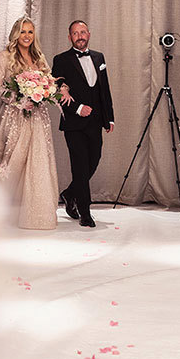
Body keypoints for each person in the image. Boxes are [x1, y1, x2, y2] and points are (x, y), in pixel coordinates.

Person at [0, 17, 71, 230]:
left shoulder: (39, 57)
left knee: (37, 162)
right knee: (11, 162)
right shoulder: (4, 57)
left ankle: (34, 213)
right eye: (23, 32)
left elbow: (49, 82)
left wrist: (54, 89)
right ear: (16, 33)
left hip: (38, 117)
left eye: (30, 32)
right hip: (15, 116)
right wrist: (19, 99)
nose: (27, 36)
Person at [51, 19, 114, 228]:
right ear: (70, 37)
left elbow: (104, 89)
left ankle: (69, 194)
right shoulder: (61, 60)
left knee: (93, 160)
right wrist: (77, 108)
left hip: (96, 121)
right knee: (79, 166)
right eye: (76, 33)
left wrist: (109, 117)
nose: (80, 35)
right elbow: (57, 91)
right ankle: (85, 212)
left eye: (83, 32)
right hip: (74, 122)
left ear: (89, 34)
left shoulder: (99, 57)